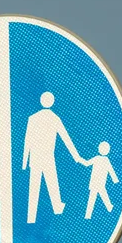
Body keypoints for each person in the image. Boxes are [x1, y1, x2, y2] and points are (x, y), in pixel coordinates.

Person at [22, 92, 82, 224]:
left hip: (35, 158)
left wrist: (25, 161)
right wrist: (76, 157)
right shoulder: (54, 118)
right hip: (47, 157)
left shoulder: (33, 118)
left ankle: (31, 216)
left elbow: (27, 141)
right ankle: (58, 210)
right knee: (52, 184)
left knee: (34, 187)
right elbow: (66, 139)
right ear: (52, 102)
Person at [80, 141, 119, 219]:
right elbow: (88, 163)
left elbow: (110, 170)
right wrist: (115, 180)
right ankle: (108, 207)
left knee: (95, 197)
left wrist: (115, 180)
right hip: (98, 182)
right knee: (98, 196)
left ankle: (89, 214)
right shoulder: (100, 159)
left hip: (97, 182)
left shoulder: (101, 159)